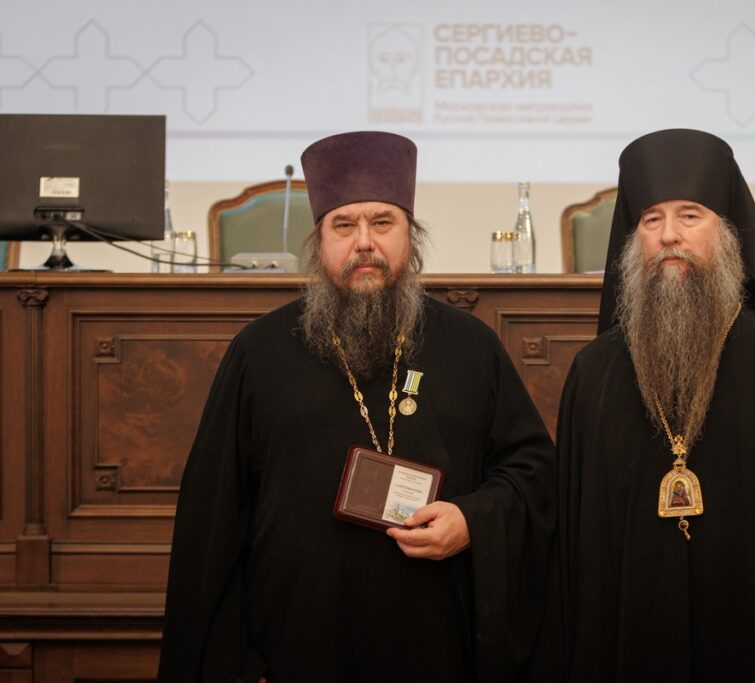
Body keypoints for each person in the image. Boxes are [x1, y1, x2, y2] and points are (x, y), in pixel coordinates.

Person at [158, 131, 555, 682]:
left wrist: (472, 520)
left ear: (411, 236)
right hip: (296, 644)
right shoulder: (260, 352)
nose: (364, 242)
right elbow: (214, 518)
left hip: (435, 644)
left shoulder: (470, 347)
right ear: (319, 242)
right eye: (343, 226)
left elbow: (532, 473)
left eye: (382, 222)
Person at [552, 129, 755, 681]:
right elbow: (575, 554)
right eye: (651, 220)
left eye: (690, 216)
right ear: (632, 239)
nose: (669, 235)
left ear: (726, 233)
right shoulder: (594, 374)